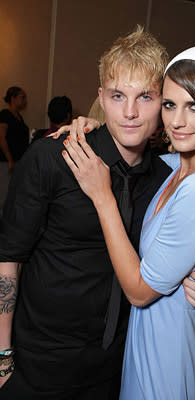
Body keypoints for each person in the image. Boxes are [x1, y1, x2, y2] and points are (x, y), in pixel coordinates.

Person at [0, 26, 177, 400]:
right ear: (101, 98)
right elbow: (8, 258)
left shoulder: (168, 181)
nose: (130, 112)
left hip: (116, 369)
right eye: (118, 96)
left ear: (163, 102)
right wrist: (2, 358)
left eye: (145, 96)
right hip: (37, 365)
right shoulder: (54, 157)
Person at [61, 46, 195, 399]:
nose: (177, 121)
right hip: (152, 339)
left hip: (167, 351)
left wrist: (103, 196)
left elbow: (140, 292)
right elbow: (137, 144)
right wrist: (96, 124)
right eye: (170, 104)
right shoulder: (179, 166)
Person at [0, 87, 29, 213]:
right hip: (6, 162)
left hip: (17, 162)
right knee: (5, 195)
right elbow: (1, 137)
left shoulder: (19, 117)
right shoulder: (5, 115)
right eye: (22, 97)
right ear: (13, 98)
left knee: (14, 195)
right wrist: (10, 159)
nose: (25, 101)